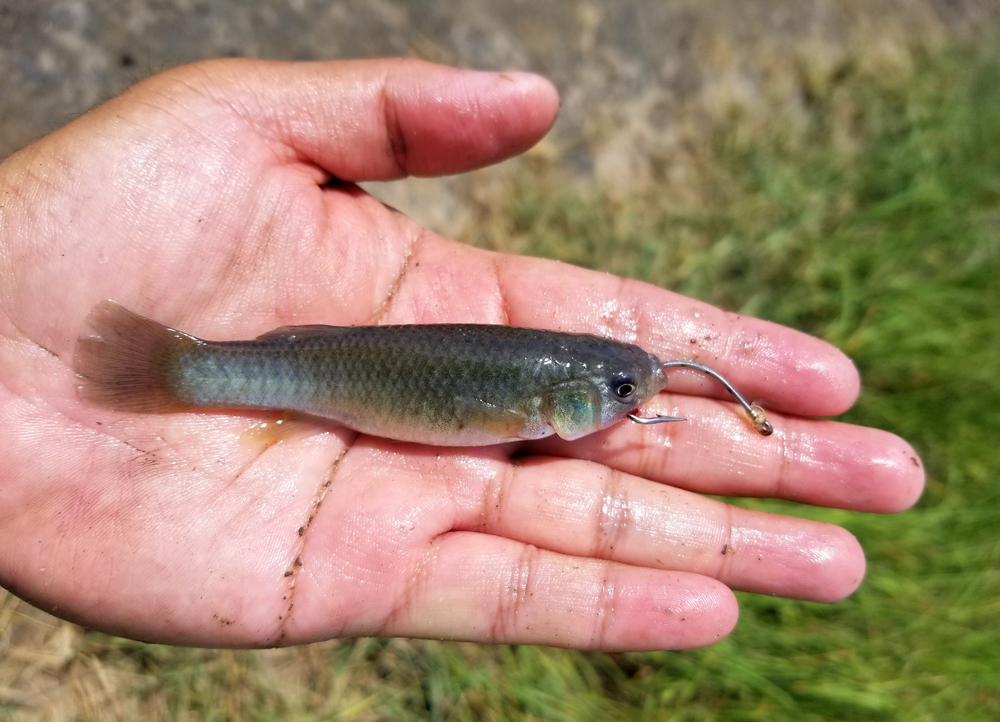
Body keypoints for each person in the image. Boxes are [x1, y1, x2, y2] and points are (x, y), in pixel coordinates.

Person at [0, 58, 923, 651]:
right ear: (563, 397)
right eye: (614, 388)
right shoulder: (529, 406)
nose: (623, 400)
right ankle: (178, 370)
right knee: (211, 367)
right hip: (274, 370)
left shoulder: (540, 400)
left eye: (620, 391)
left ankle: (178, 371)